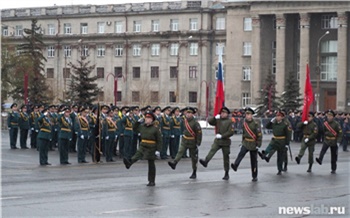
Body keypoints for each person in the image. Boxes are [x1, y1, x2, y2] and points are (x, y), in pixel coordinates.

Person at [123, 111, 162, 186]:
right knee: (137, 154)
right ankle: (129, 163)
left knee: (151, 164)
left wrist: (158, 150)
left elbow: (159, 140)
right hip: (143, 144)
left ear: (152, 120)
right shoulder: (142, 126)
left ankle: (151, 181)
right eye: (146, 118)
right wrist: (137, 122)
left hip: (151, 146)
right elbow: (134, 128)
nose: (147, 119)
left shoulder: (155, 128)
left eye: (149, 118)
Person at [199, 107, 234, 180]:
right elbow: (210, 122)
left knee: (226, 158)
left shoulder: (230, 122)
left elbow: (231, 132)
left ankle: (226, 172)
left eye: (224, 113)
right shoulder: (218, 120)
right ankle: (206, 161)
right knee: (212, 150)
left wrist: (222, 136)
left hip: (225, 141)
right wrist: (215, 118)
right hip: (218, 141)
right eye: (221, 113)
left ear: (227, 114)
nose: (222, 114)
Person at [168, 107, 202, 179]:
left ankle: (194, 171)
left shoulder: (195, 123)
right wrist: (182, 134)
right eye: (187, 113)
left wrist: (198, 142)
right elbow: (182, 128)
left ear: (192, 114)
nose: (188, 114)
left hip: (192, 141)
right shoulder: (184, 121)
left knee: (194, 158)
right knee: (180, 151)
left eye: (189, 113)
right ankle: (174, 163)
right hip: (185, 140)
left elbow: (199, 133)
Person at [230, 107, 262, 181]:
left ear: (251, 115)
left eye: (249, 114)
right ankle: (235, 165)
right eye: (246, 114)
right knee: (241, 153)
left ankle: (254, 175)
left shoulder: (256, 124)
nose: (247, 116)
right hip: (246, 142)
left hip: (253, 143)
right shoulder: (244, 123)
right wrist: (242, 141)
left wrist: (258, 145)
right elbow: (244, 133)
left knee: (253, 161)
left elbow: (259, 135)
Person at [264, 110, 291, 175]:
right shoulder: (274, 123)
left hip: (282, 141)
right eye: (276, 116)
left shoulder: (285, 124)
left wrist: (287, 144)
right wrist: (270, 121)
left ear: (282, 117)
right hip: (275, 140)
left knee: (281, 156)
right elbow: (267, 127)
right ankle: (265, 155)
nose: (277, 117)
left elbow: (288, 135)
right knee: (271, 148)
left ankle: (281, 168)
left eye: (279, 116)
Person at [315, 110, 343, 174]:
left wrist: (338, 142)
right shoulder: (325, 123)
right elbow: (323, 131)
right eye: (328, 116)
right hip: (327, 140)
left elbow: (340, 133)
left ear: (333, 117)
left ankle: (333, 168)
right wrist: (324, 138)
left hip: (334, 141)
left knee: (333, 155)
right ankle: (320, 159)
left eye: (330, 116)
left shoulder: (336, 124)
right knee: (323, 150)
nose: (329, 117)